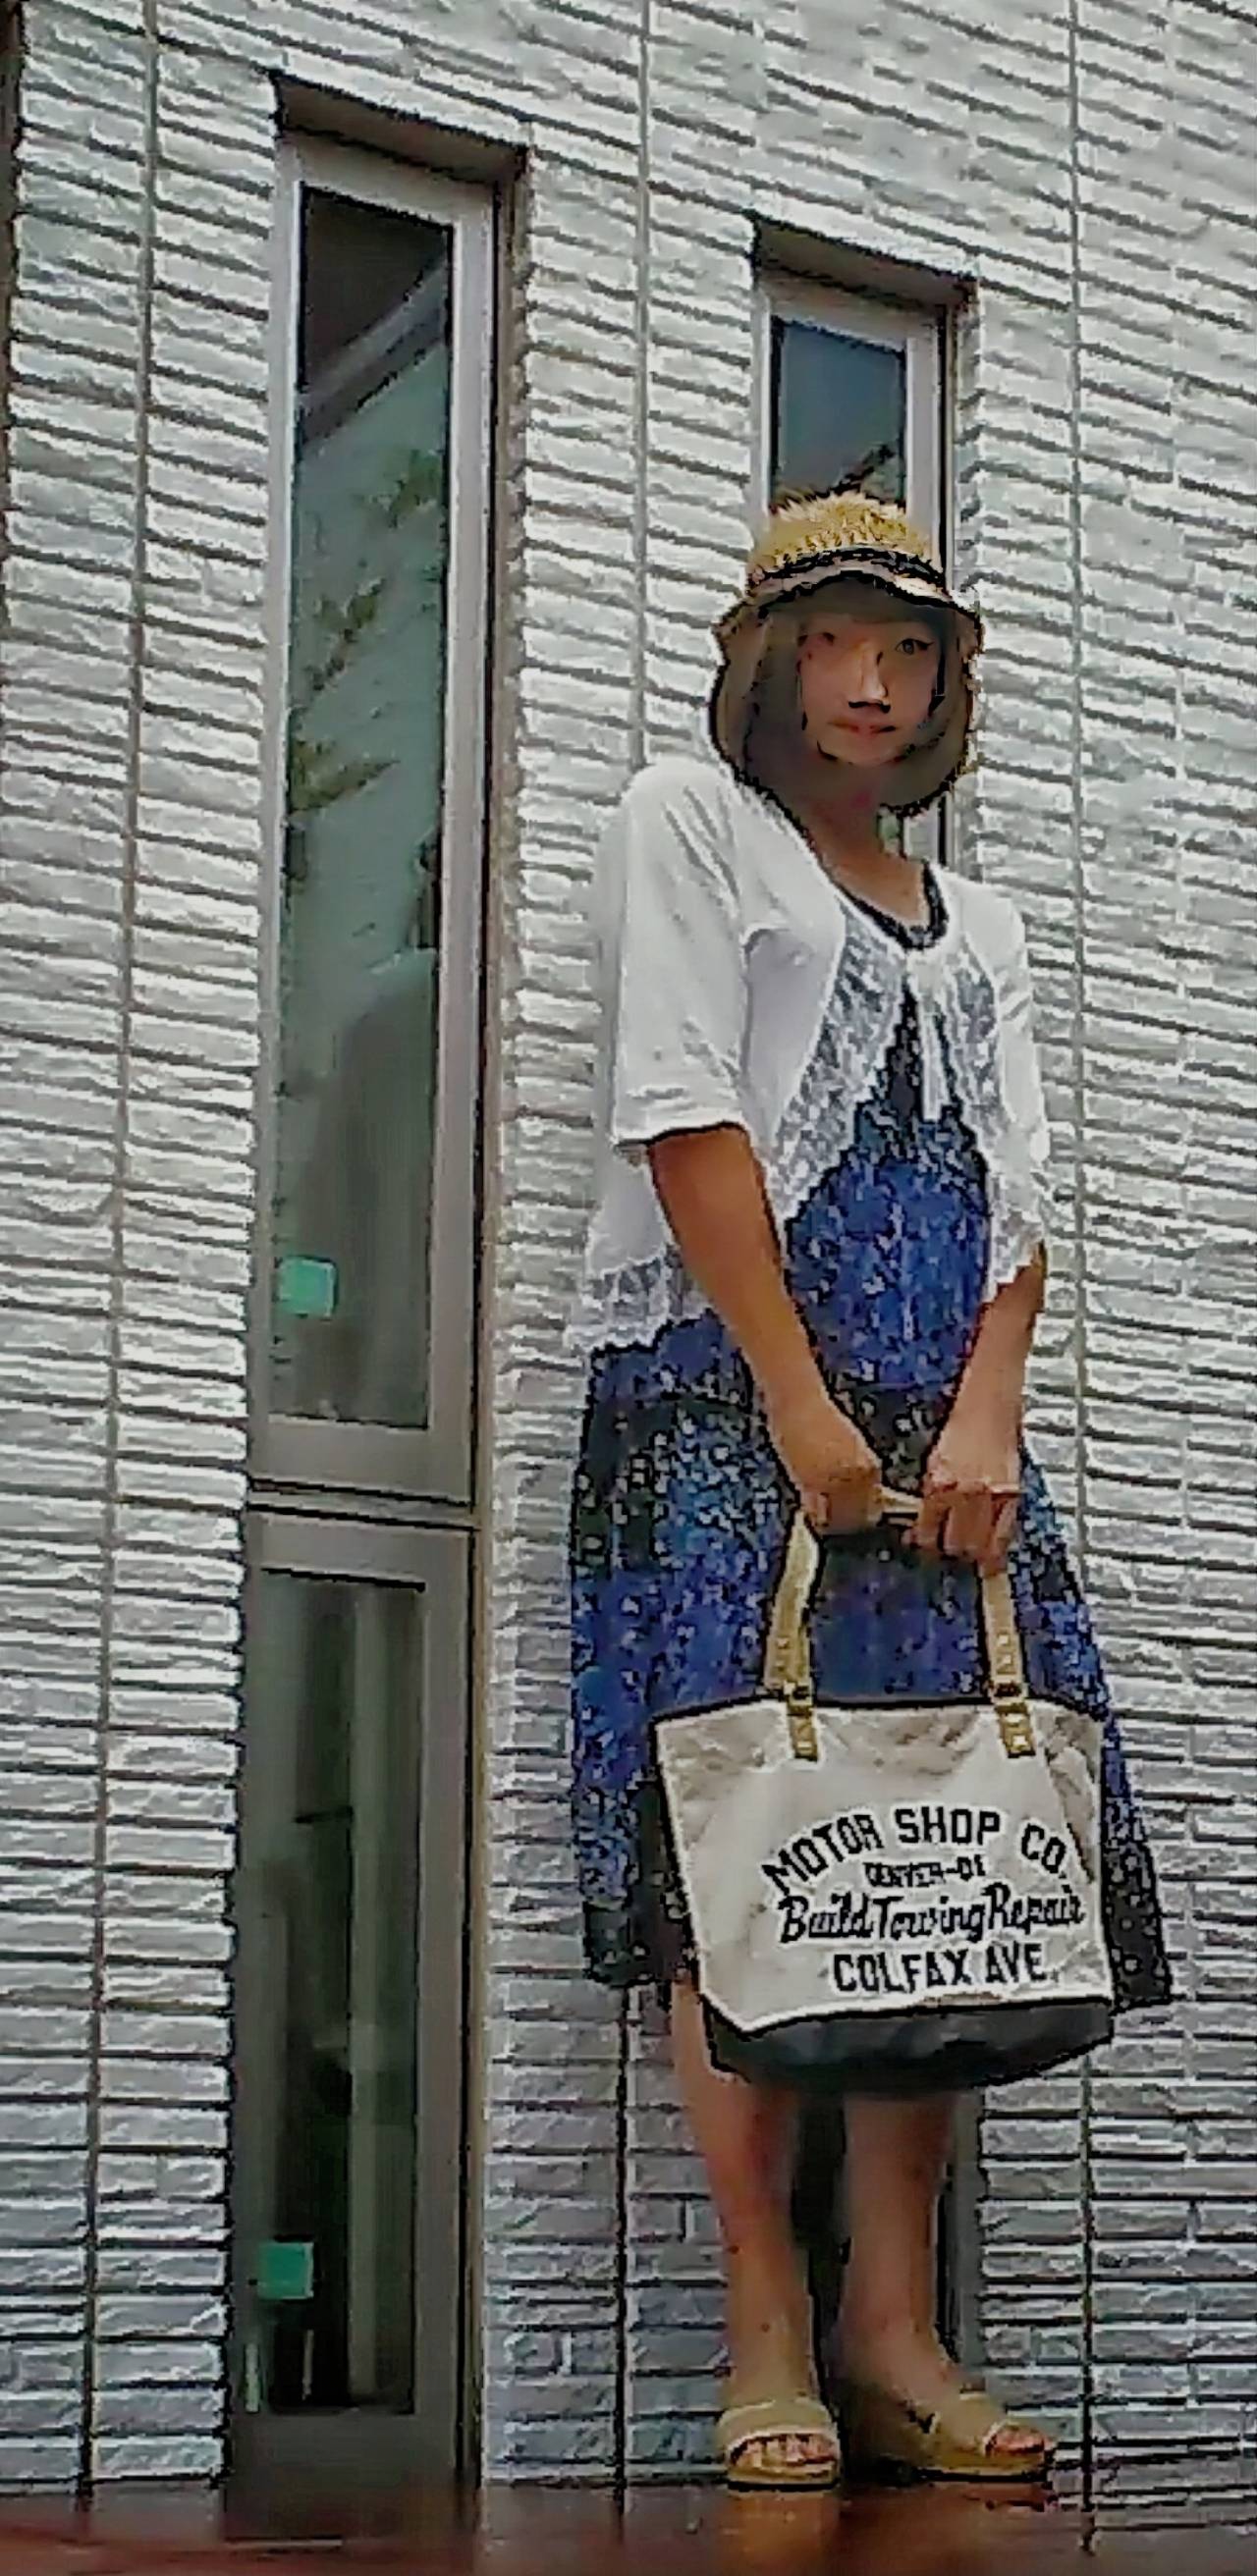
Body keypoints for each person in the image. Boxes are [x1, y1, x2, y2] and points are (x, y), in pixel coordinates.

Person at [568, 490, 1171, 2492]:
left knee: (947, 1846)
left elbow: (1019, 1187)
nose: (872, 683)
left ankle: (893, 2325)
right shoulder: (687, 823)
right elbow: (682, 1110)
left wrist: (987, 1412)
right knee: (736, 1854)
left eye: (909, 652)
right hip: (723, 1402)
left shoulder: (978, 920)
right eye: (837, 641)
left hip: (945, 1427)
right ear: (772, 658)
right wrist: (800, 1407)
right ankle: (767, 2317)